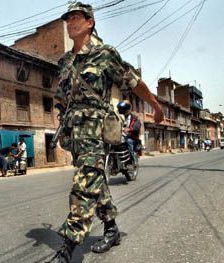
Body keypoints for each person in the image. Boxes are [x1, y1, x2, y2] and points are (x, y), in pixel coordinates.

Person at [50, 2, 164, 262]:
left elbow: (132, 81)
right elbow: (61, 97)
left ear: (90, 22)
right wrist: (62, 122)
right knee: (96, 180)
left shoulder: (104, 53)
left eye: (76, 17)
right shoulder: (64, 62)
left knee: (85, 182)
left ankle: (69, 246)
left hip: (96, 129)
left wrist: (155, 105)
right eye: (68, 19)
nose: (70, 23)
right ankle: (112, 229)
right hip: (75, 133)